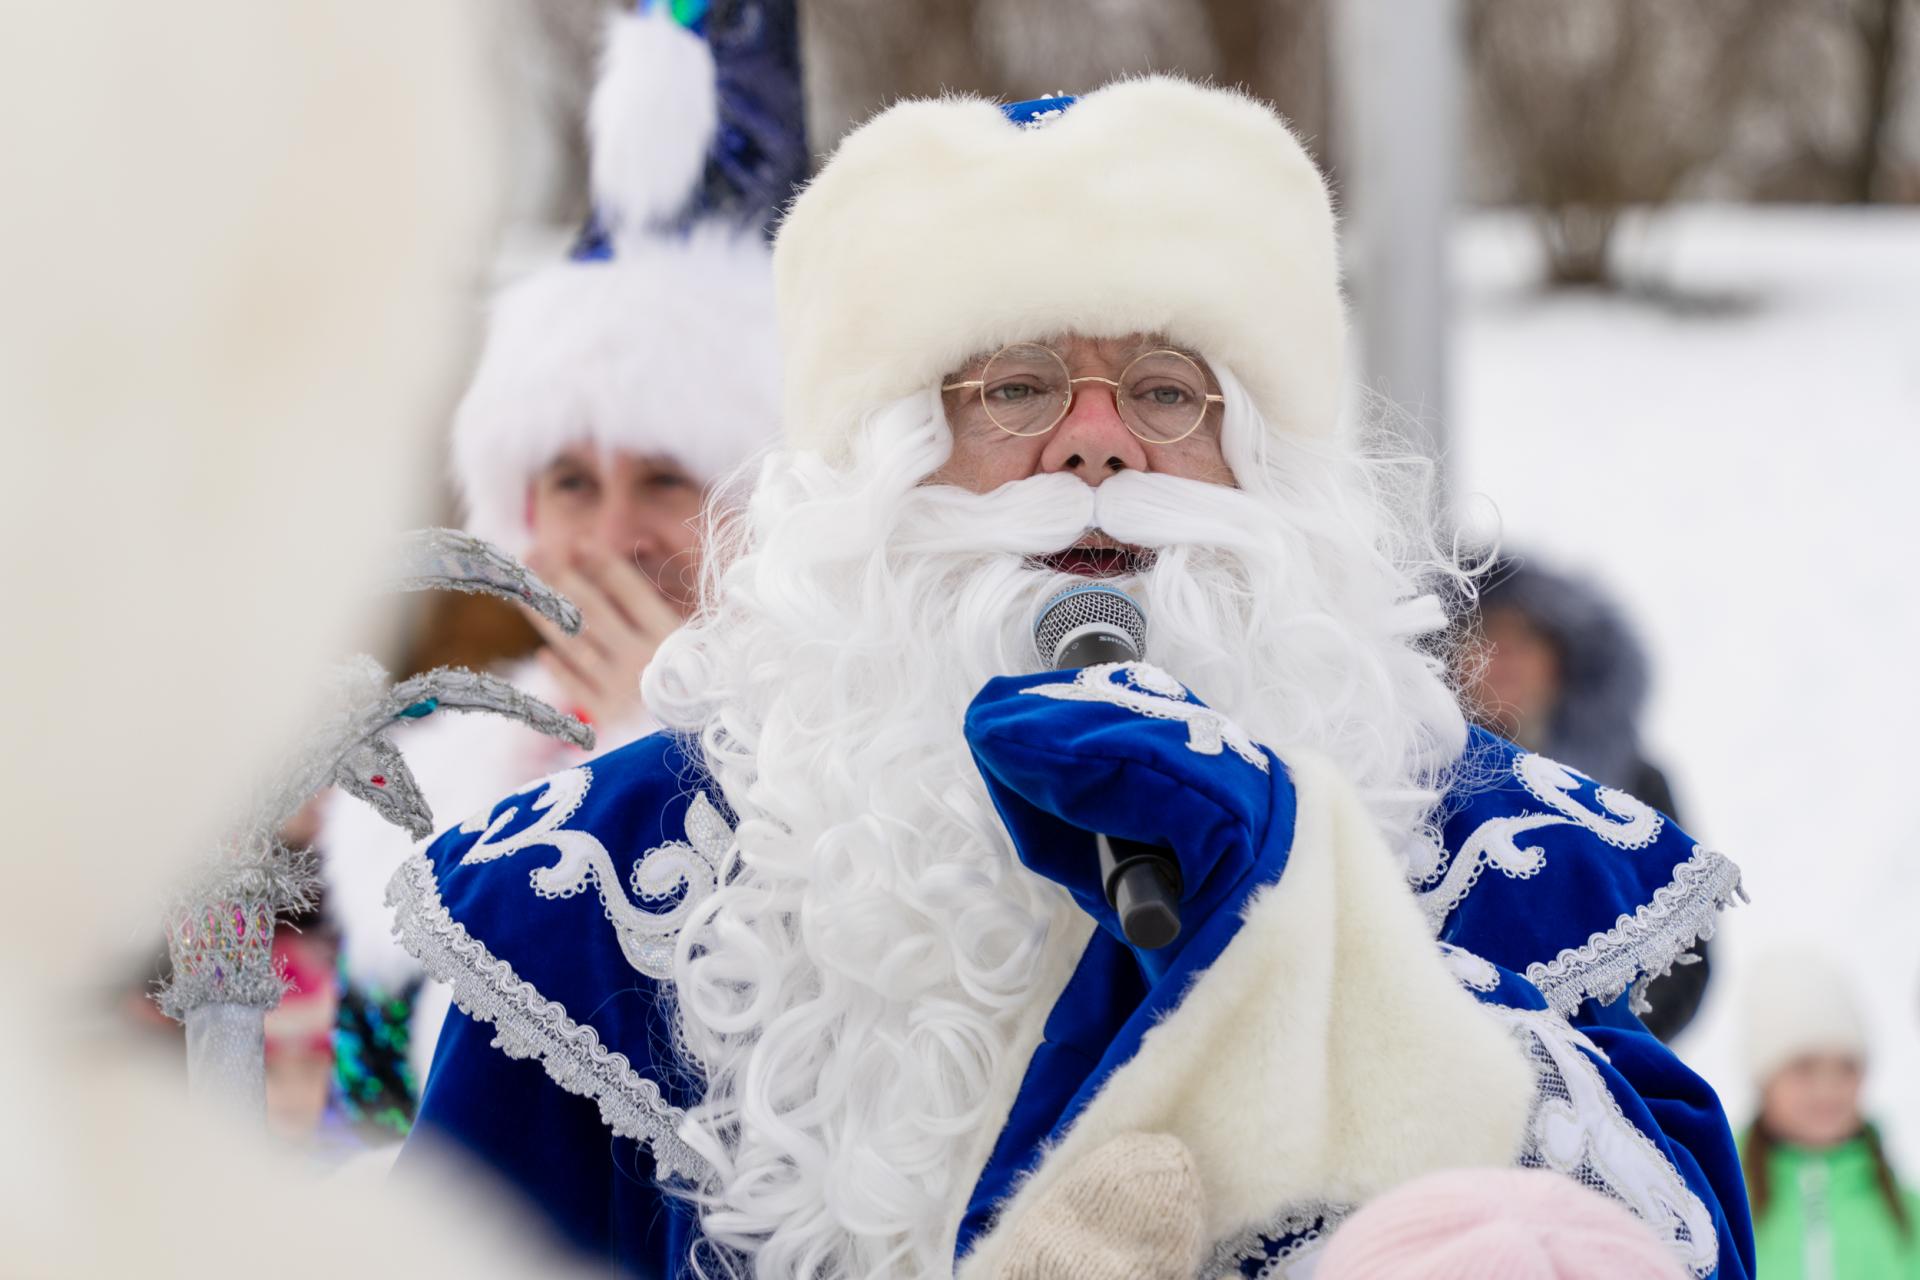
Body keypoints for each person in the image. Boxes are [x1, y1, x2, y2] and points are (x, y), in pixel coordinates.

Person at [390, 79, 1753, 1278]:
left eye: (1164, 390)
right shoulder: (591, 903)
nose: (1096, 445)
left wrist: (1347, 967)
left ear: (1266, 465)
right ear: (883, 464)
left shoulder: (1506, 862)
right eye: (1016, 388)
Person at [315, 0, 800, 1113]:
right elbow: (370, 1133)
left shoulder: (844, 772)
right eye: (572, 482)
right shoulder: (420, 786)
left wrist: (664, 747)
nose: (612, 535)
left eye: (668, 478)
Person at [1459, 553, 1710, 1041]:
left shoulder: (1632, 786)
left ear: (1559, 661)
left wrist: (1605, 1045)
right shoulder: (1414, 788)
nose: (1503, 657)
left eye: (1524, 640)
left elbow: (1686, 948)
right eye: (1484, 638)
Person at [1741, 948, 1920, 1278]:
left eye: (1846, 1067)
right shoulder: (1720, 1200)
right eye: (1804, 1066)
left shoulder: (1907, 1214)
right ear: (1765, 1080)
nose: (1827, 1088)